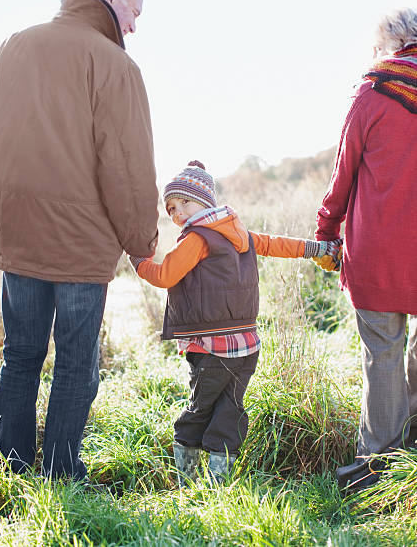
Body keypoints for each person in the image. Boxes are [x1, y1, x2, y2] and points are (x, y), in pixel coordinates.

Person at [0, 0, 159, 480]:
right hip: (83, 248)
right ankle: (60, 472)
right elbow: (125, 165)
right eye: (133, 12)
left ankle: (8, 467)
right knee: (77, 363)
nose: (133, 27)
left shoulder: (7, 49)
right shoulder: (115, 66)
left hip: (20, 237)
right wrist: (140, 242)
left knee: (20, 356)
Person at [129, 160, 341, 486]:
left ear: (205, 202)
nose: (177, 212)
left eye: (184, 202)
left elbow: (165, 275)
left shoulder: (197, 239)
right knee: (229, 411)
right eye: (170, 208)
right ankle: (218, 486)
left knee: (198, 410)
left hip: (211, 349)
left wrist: (137, 261)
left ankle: (186, 484)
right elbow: (275, 244)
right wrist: (316, 248)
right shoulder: (239, 233)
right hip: (247, 347)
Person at [315, 8, 417, 492]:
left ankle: (378, 467)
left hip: (379, 249)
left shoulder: (373, 92)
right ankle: (409, 457)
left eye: (375, 47)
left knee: (383, 357)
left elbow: (344, 171)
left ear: (391, 44)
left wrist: (327, 228)